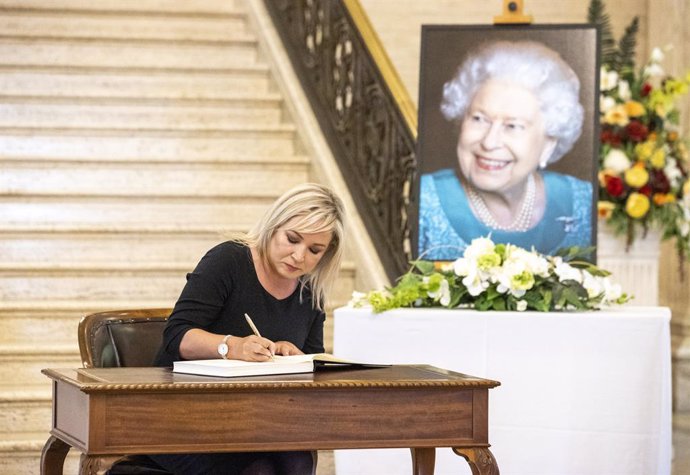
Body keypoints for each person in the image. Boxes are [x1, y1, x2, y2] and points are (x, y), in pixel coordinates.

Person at [149, 183, 346, 475]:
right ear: (273, 226)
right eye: (292, 239)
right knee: (260, 470)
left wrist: (294, 357)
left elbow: (313, 364)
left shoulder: (310, 291)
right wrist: (233, 346)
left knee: (298, 460)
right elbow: (177, 335)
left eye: (314, 250)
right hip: (185, 415)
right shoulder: (228, 260)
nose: (299, 256)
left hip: (260, 420)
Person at [418, 40, 593, 260]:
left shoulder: (584, 201)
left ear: (549, 143)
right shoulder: (423, 201)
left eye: (513, 126)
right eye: (479, 119)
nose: (490, 142)